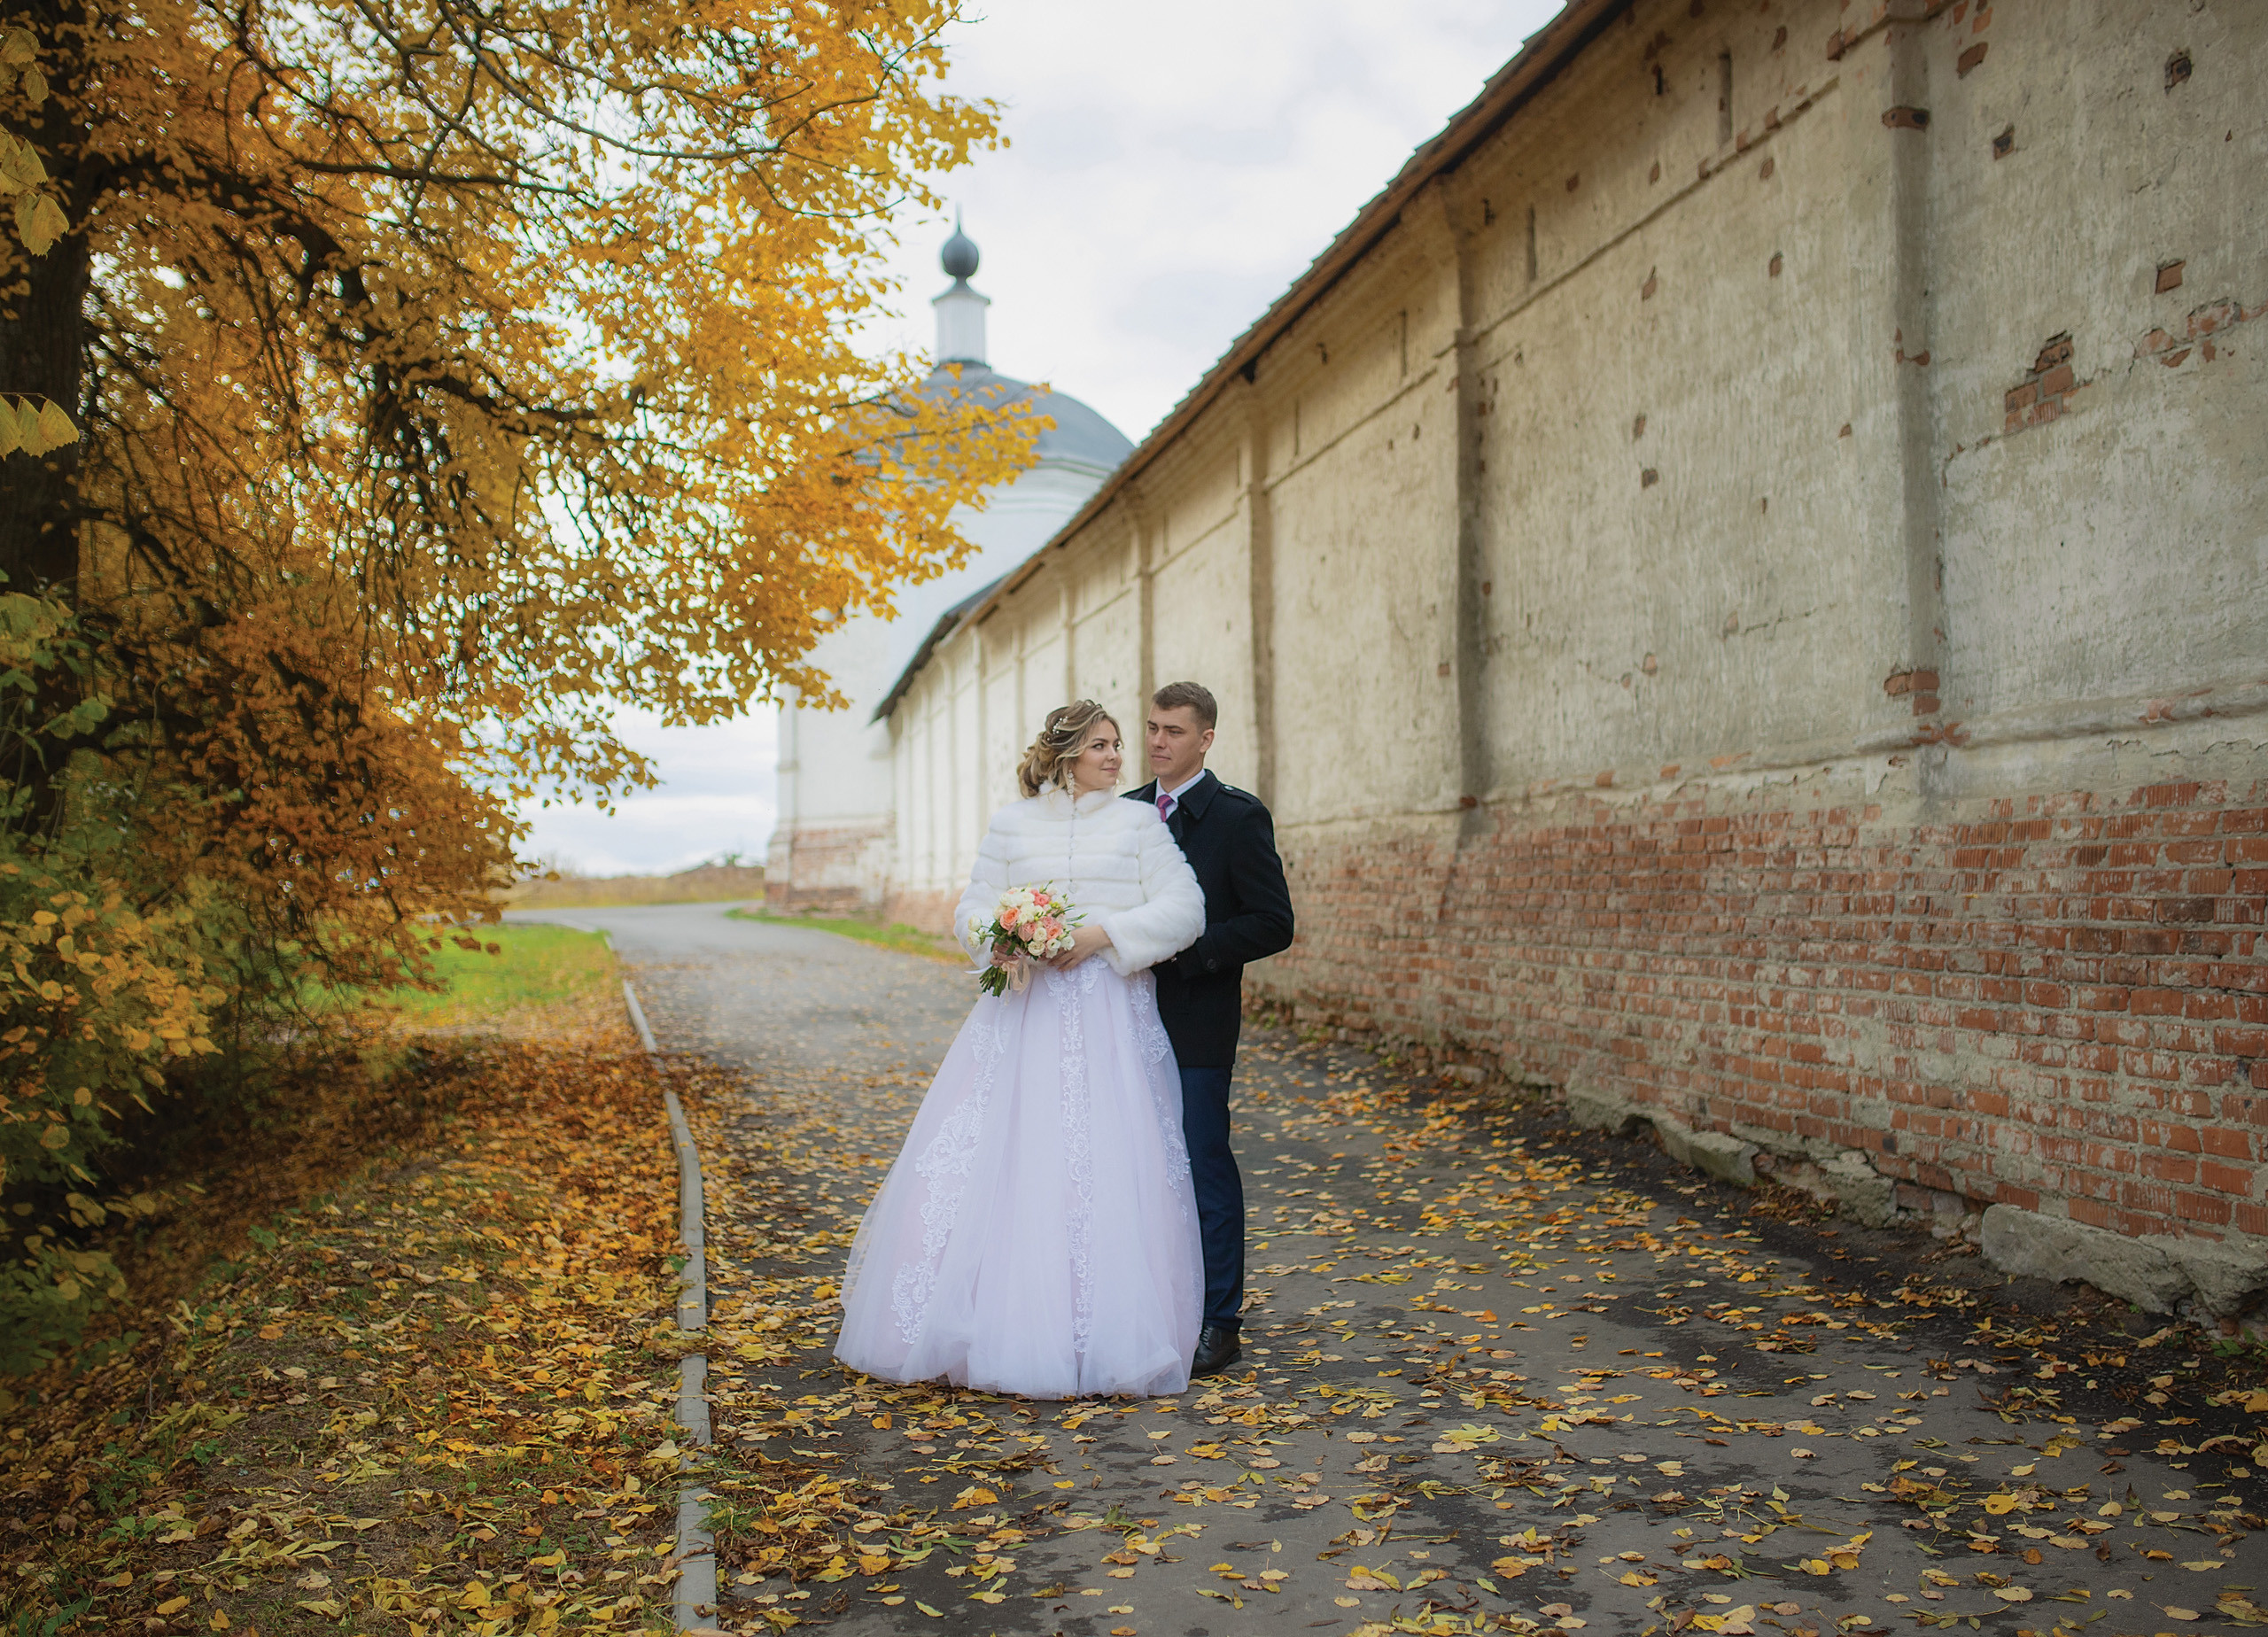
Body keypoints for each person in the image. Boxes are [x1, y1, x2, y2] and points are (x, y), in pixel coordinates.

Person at [835, 701, 1208, 1399]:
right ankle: (987, 1322)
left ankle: (1100, 1333)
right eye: (1102, 746)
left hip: (1107, 1016)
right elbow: (971, 907)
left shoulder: (1138, 824)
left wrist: (1104, 936)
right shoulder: (1011, 824)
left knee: (1100, 1161)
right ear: (1067, 754)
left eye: (1118, 745)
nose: (1116, 758)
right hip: (1023, 1012)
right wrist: (1003, 935)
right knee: (1009, 1157)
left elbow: (1186, 909)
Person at [1123, 682, 1295, 1378]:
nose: (1158, 741)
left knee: (1202, 1165)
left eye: (1172, 730)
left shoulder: (1236, 817)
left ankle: (1220, 1321)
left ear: (1206, 739)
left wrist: (1193, 953)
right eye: (1152, 728)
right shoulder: (1125, 813)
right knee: (1131, 1166)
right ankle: (1148, 1308)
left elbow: (1273, 922)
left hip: (1197, 1024)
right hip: (1123, 1019)